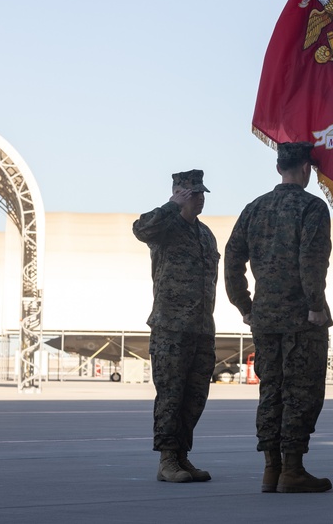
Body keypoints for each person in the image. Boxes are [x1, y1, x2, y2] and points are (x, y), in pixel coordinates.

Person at [224, 142, 333, 494]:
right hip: (302, 319)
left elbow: (231, 260)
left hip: (265, 317)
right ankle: (293, 470)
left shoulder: (255, 208)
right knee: (301, 392)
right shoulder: (312, 207)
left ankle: (271, 470)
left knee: (271, 391)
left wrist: (245, 305)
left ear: (278, 168)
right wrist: (316, 304)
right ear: (306, 169)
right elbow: (312, 260)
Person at [132, 169, 218, 484]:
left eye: (201, 193)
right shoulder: (164, 228)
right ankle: (167, 460)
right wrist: (170, 205)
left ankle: (182, 455)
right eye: (191, 193)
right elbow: (140, 229)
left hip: (202, 328)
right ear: (179, 194)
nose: (198, 198)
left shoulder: (206, 234)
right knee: (171, 394)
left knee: (195, 397)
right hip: (171, 327)